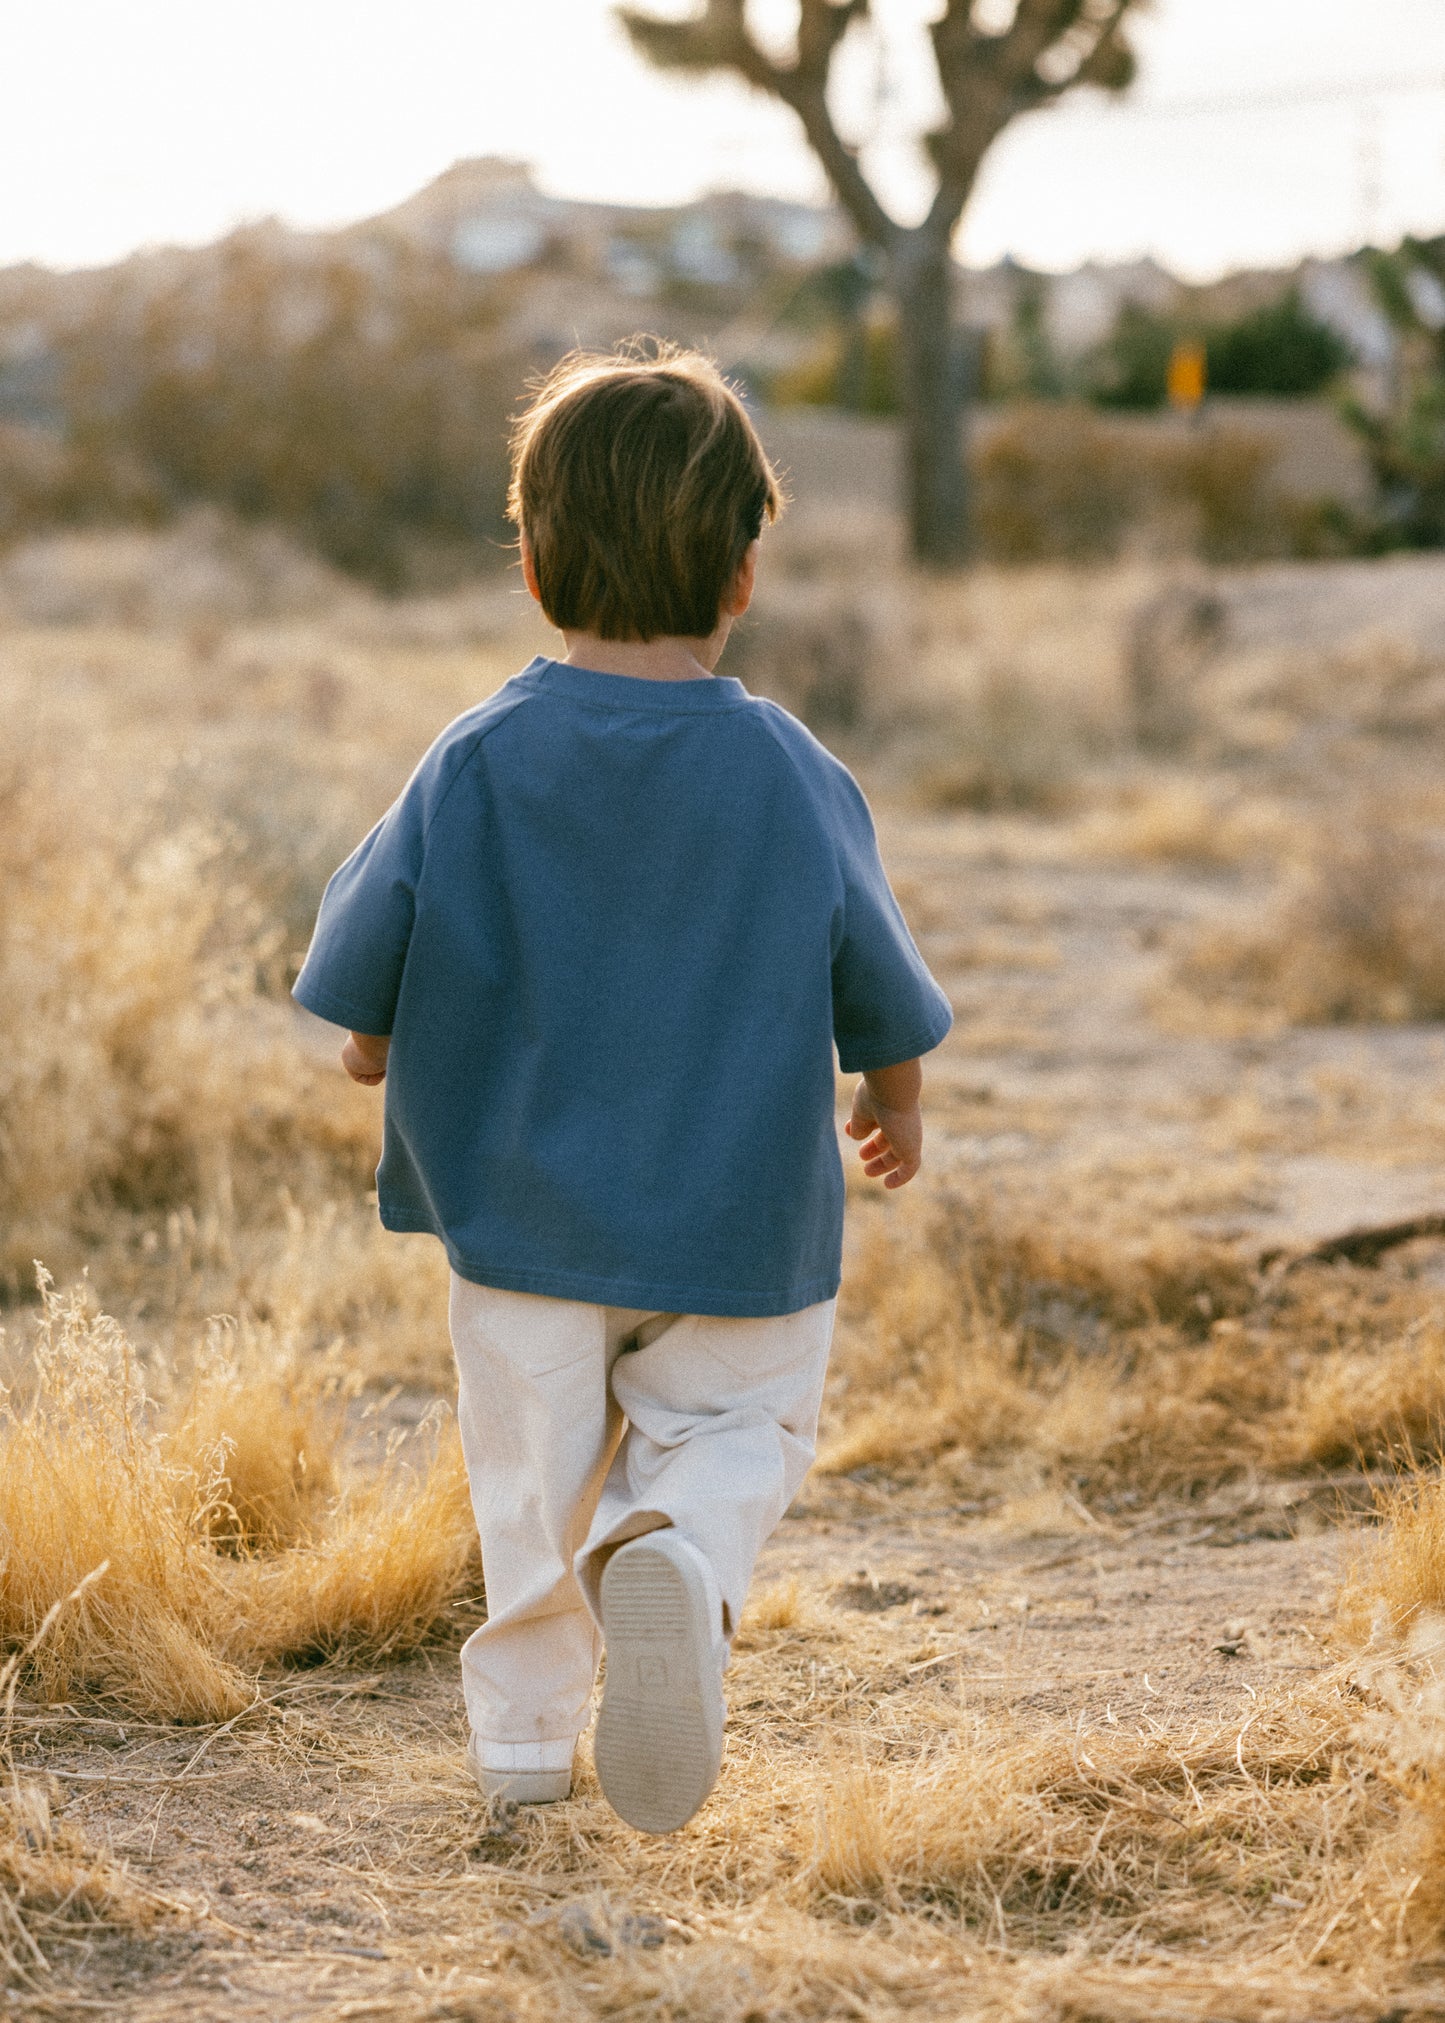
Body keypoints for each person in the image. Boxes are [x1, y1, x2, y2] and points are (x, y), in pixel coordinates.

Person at [292, 344, 952, 1836]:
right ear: (742, 573)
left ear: (529, 564)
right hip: (738, 1222)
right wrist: (895, 1101)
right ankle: (680, 1550)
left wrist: (378, 1050)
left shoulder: (472, 760)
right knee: (735, 1434)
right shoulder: (791, 769)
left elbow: (360, 975)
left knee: (526, 1491)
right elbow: (877, 977)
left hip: (520, 1221)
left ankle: (524, 1754)